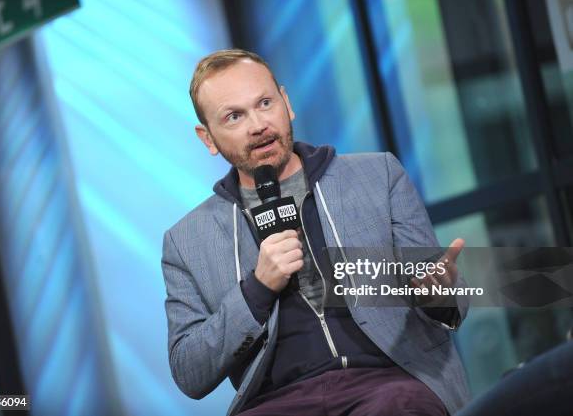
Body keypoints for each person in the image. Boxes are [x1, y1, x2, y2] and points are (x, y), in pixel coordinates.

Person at [162, 49, 470, 416]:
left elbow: (448, 303)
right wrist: (256, 289)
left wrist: (438, 293)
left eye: (264, 102)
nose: (258, 124)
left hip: (388, 380)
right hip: (277, 402)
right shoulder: (186, 241)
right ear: (208, 138)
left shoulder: (377, 176)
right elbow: (188, 370)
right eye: (234, 116)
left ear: (286, 103)